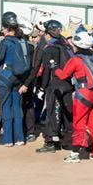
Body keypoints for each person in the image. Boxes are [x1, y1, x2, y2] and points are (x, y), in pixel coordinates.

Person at [54, 31, 93, 163]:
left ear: (77, 45)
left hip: (84, 94)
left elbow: (63, 75)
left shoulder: (76, 60)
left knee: (79, 124)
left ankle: (75, 154)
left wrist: (54, 68)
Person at [0, 12, 32, 147]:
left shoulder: (5, 42)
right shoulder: (22, 41)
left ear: (6, 28)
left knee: (6, 106)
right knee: (17, 107)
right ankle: (19, 138)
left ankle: (7, 139)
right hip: (19, 79)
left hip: (6, 78)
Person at [32, 19, 73, 152]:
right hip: (68, 84)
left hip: (54, 85)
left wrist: (42, 88)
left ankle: (50, 142)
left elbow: (47, 71)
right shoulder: (66, 45)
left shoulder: (50, 48)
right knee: (66, 114)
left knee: (52, 114)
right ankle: (67, 141)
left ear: (48, 34)